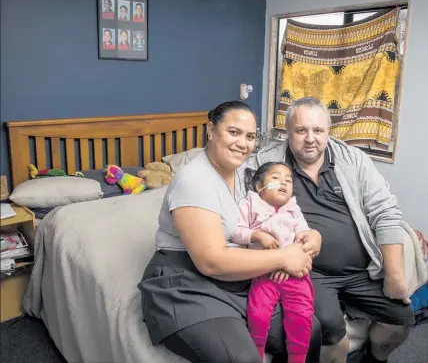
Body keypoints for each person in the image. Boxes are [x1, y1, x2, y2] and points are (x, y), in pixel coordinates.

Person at [138, 101, 322, 363]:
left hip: (237, 274)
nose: (243, 144)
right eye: (233, 132)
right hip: (185, 281)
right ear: (211, 130)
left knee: (311, 330)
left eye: (249, 137)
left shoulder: (245, 174)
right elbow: (211, 262)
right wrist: (283, 258)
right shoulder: (194, 180)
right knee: (242, 359)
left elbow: (276, 212)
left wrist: (311, 235)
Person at [245, 97, 421, 363]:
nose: (310, 138)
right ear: (287, 131)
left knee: (400, 321)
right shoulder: (265, 165)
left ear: (329, 130)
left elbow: (385, 211)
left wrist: (394, 274)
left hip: (361, 271)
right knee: (332, 334)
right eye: (301, 130)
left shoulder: (353, 160)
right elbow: (247, 209)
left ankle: (374, 358)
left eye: (318, 130)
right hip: (309, 272)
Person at [231, 162, 316, 363]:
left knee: (302, 316)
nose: (283, 183)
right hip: (263, 272)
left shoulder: (293, 209)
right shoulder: (250, 204)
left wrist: (292, 260)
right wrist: (257, 235)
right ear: (259, 185)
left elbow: (304, 237)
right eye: (275, 178)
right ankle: (257, 350)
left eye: (288, 181)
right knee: (258, 314)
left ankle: (297, 357)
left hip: (294, 275)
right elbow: (235, 231)